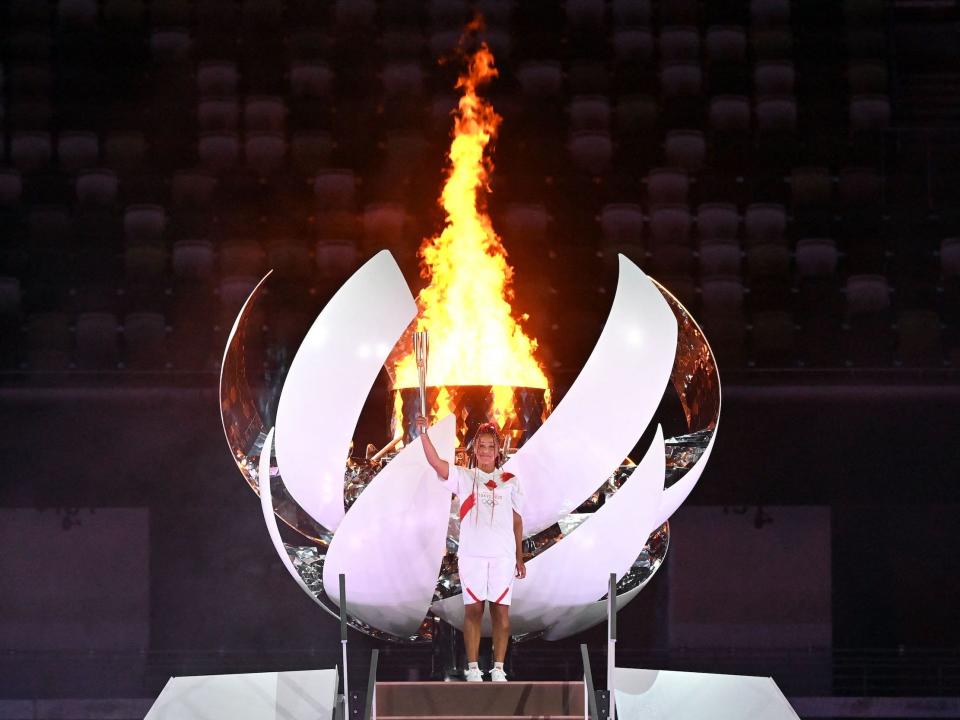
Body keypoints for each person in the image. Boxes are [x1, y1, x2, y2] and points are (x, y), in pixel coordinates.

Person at [415, 415, 526, 682]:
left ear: (497, 450)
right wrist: (423, 434)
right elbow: (436, 463)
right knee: (473, 611)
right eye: (481, 446)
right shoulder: (464, 477)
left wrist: (520, 558)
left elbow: (517, 520)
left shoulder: (510, 479)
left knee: (501, 613)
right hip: (472, 554)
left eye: (490, 446)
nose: (486, 451)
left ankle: (498, 668)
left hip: (502, 555)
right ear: (474, 450)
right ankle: (473, 668)